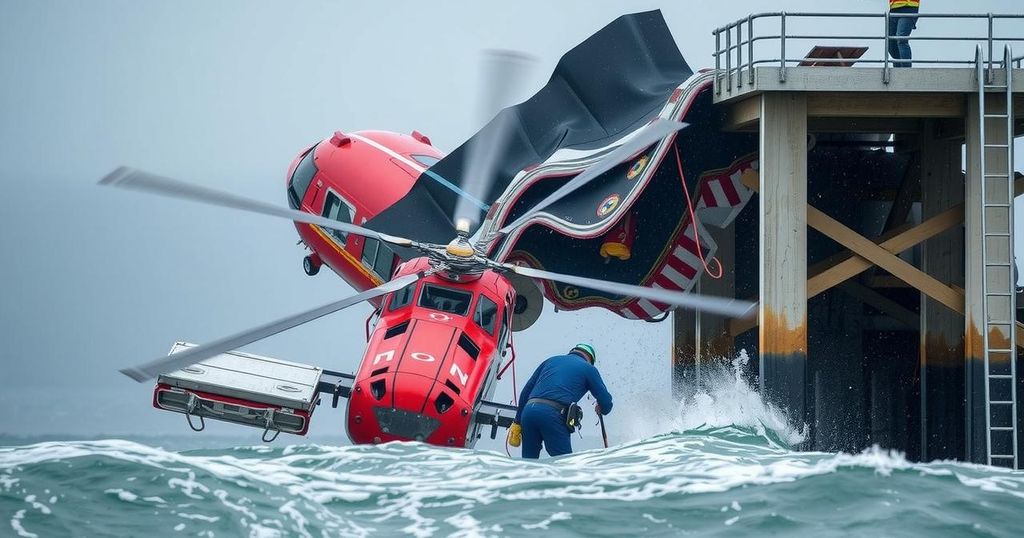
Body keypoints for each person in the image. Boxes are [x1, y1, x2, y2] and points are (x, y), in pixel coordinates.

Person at [506, 343, 613, 459]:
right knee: (564, 466)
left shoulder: (550, 361)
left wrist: (517, 421)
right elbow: (606, 402)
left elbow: (526, 392)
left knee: (528, 462)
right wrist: (602, 408)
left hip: (528, 413)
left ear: (572, 351)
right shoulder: (589, 368)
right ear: (590, 359)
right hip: (553, 415)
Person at [888, 0, 920, 68]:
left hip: (909, 7)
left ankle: (906, 71)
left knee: (901, 39)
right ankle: (898, 71)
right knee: (891, 44)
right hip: (894, 8)